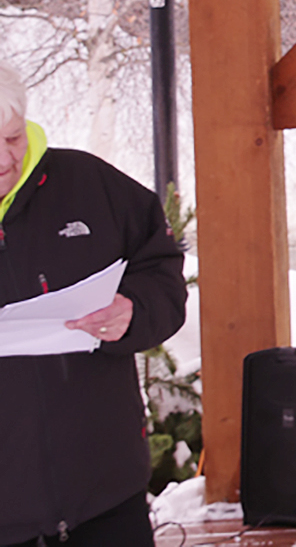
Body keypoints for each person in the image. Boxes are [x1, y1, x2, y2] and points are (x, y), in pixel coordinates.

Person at [0, 60, 188, 547]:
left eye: (13, 137)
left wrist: (135, 310)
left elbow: (162, 271)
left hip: (108, 495)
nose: (5, 159)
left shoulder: (87, 183)